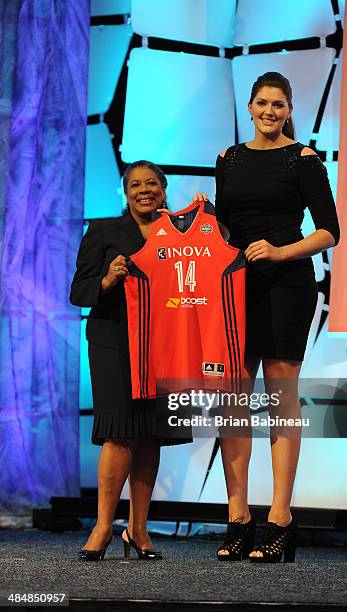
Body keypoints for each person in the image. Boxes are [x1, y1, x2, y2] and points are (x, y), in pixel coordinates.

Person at [212, 71, 340, 563]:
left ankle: (280, 518)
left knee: (281, 397)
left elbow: (330, 231)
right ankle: (238, 517)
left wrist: (282, 252)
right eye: (263, 103)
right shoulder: (228, 159)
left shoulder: (303, 158)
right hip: (236, 285)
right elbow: (224, 225)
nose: (270, 111)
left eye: (279, 104)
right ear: (250, 107)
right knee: (234, 401)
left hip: (287, 284)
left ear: (289, 110)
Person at [70, 160, 192, 561]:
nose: (144, 190)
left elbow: (213, 258)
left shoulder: (180, 232)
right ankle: (104, 526)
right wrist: (107, 279)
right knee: (118, 431)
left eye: (152, 183)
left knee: (150, 433)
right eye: (136, 184)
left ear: (164, 188)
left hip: (166, 344)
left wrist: (204, 217)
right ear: (125, 192)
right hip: (113, 343)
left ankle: (138, 530)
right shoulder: (104, 230)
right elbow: (79, 290)